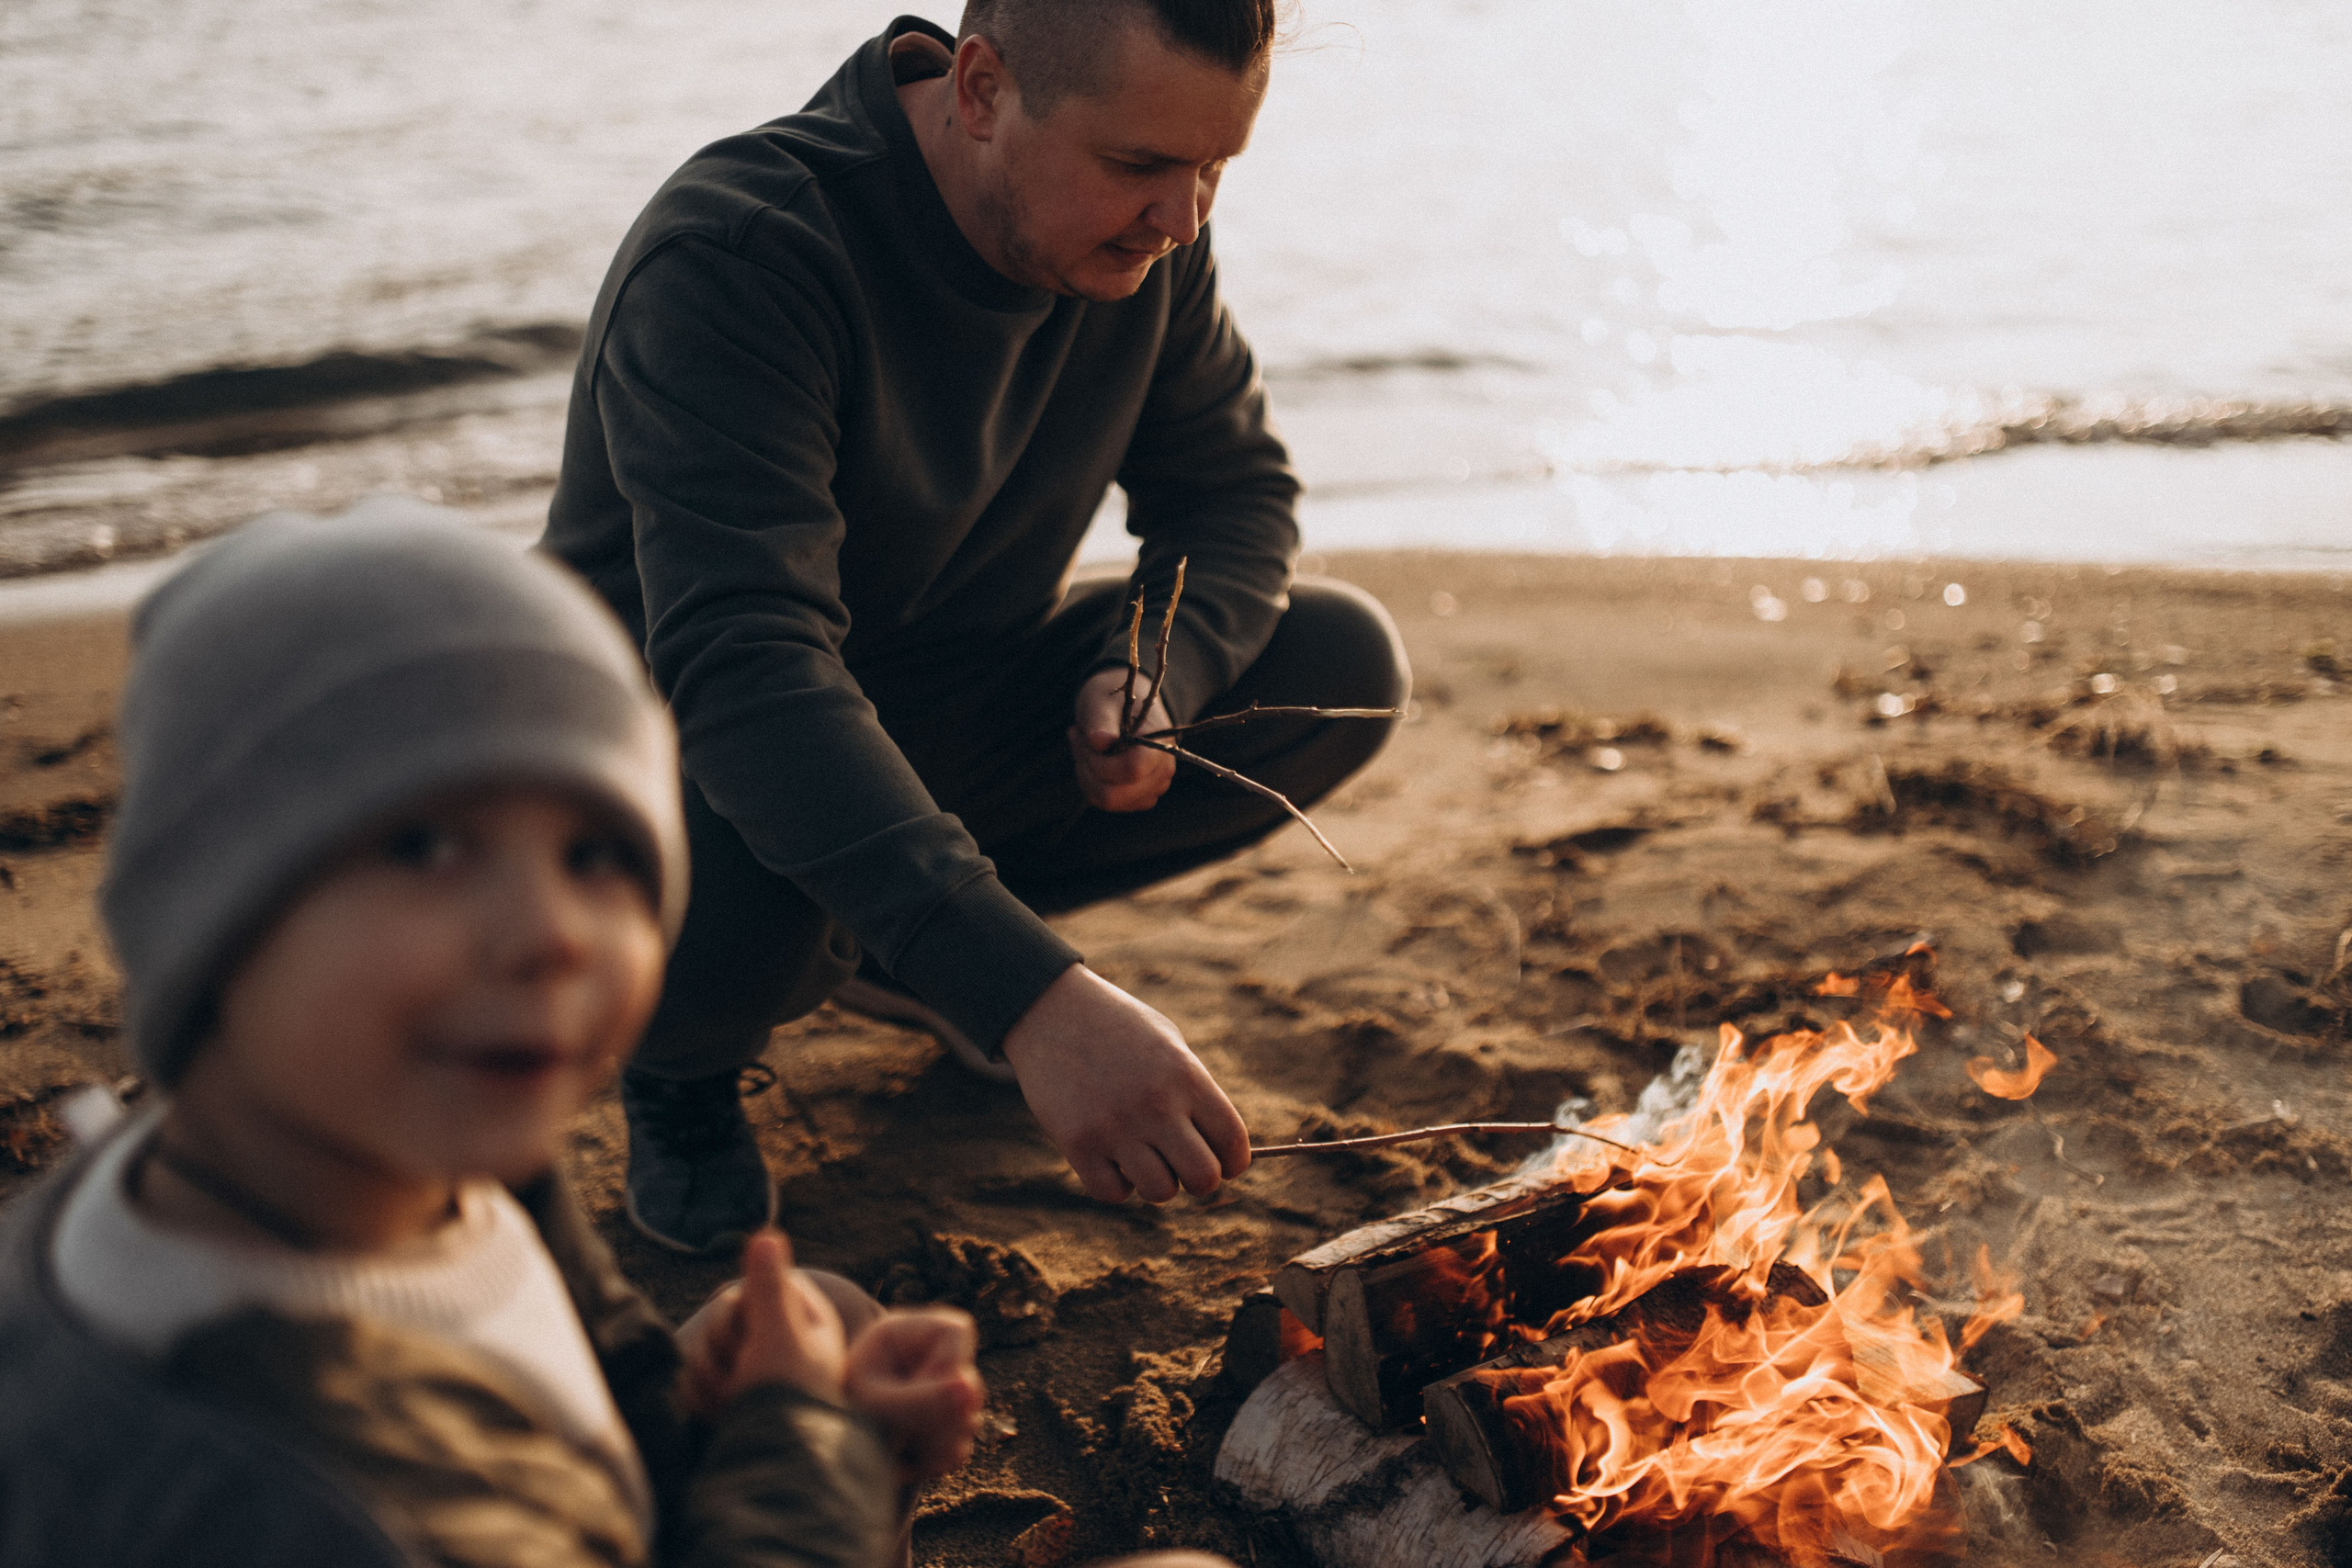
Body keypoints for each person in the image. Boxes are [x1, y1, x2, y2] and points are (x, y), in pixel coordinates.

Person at [543, 0, 1411, 1255]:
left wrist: (1152, 671)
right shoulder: (739, 254)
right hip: (657, 768)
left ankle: (906, 945)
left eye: (1214, 169)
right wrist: (1034, 999)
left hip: (923, 707)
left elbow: (1232, 497)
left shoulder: (1142, 243)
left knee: (1337, 667)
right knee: (772, 856)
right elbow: (747, 669)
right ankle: (682, 1068)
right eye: (1141, 167)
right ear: (984, 89)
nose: (1183, 219)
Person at [0, 518, 982, 1567]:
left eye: (597, 854)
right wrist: (805, 1452)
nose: (551, 934)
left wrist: (761, 1419)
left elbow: (586, 1359)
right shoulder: (281, 1505)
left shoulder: (404, 1152)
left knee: (817, 1312)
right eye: (424, 846)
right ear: (209, 917)